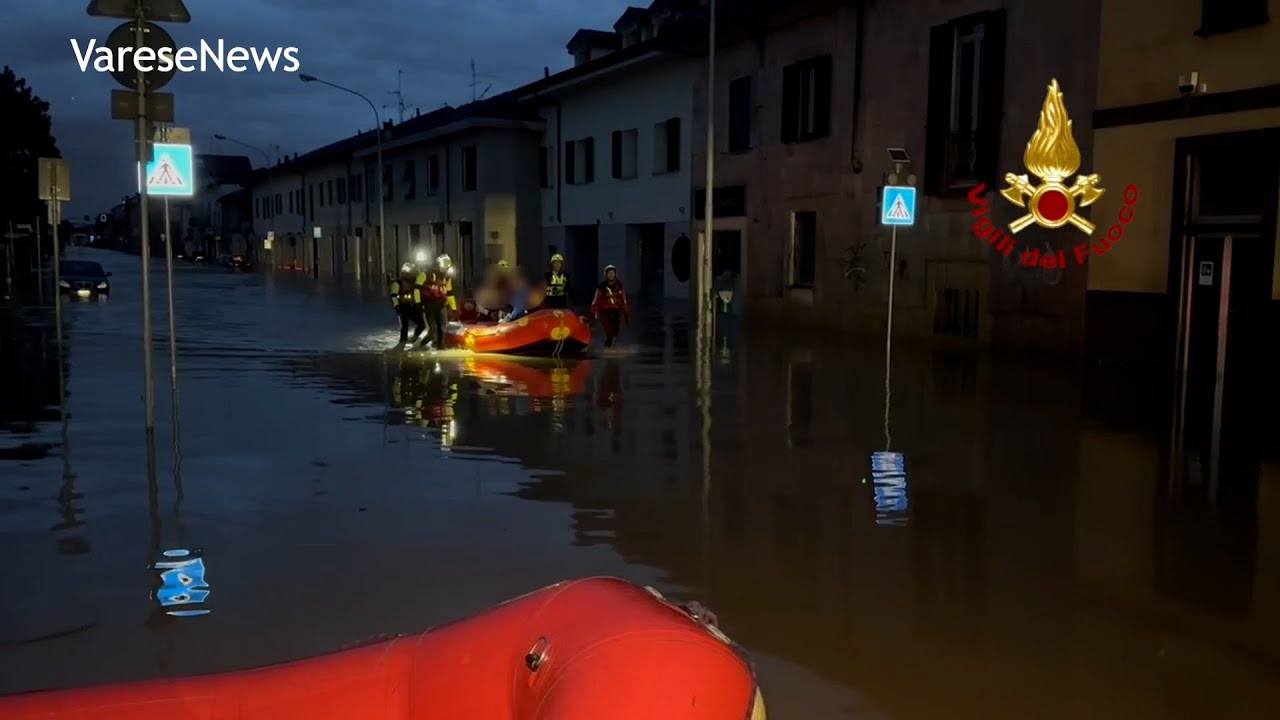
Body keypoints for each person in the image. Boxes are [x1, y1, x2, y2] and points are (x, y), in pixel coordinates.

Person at [421, 254, 457, 349]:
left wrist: (454, 308)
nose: (445, 270)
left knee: (443, 327)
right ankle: (421, 345)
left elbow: (449, 292)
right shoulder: (426, 274)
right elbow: (417, 289)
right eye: (444, 268)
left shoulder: (447, 277)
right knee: (433, 330)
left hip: (441, 304)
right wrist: (418, 303)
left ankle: (441, 346)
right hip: (429, 304)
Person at [590, 264, 630, 347]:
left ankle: (612, 344)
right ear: (606, 275)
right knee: (609, 331)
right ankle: (609, 343)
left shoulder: (619, 285)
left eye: (613, 273)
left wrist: (626, 314)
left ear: (615, 274)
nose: (611, 275)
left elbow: (623, 300)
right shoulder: (601, 286)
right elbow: (596, 300)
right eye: (609, 273)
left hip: (616, 311)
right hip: (604, 311)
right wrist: (593, 313)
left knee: (615, 331)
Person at [390, 262, 426, 345]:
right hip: (402, 307)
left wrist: (420, 304)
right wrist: (397, 306)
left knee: (422, 324)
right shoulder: (397, 283)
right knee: (404, 327)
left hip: (412, 306)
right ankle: (402, 342)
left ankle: (415, 336)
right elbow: (393, 296)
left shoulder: (415, 283)